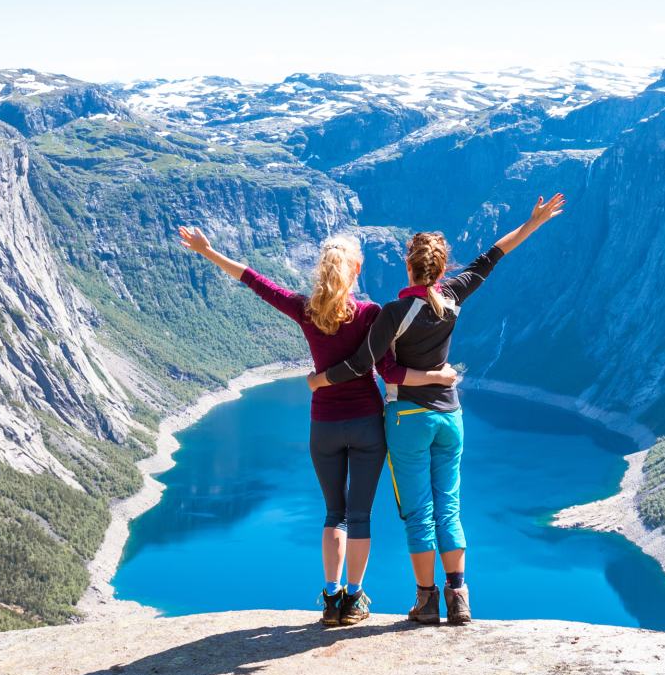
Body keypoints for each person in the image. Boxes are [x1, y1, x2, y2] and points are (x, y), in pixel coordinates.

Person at [176, 227, 458, 627]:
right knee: (359, 516)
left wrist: (209, 252)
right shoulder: (371, 313)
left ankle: (330, 595)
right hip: (366, 424)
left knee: (334, 514)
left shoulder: (305, 310)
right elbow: (380, 367)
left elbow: (256, 281)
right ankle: (355, 599)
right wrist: (436, 375)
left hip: (324, 424)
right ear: (357, 269)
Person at [307, 193, 566, 626]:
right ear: (442, 269)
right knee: (449, 508)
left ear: (408, 265)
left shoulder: (392, 312)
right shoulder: (453, 296)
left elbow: (365, 365)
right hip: (451, 417)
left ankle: (427, 601)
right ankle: (460, 597)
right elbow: (491, 258)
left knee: (419, 513)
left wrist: (320, 380)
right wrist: (533, 222)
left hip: (408, 419)